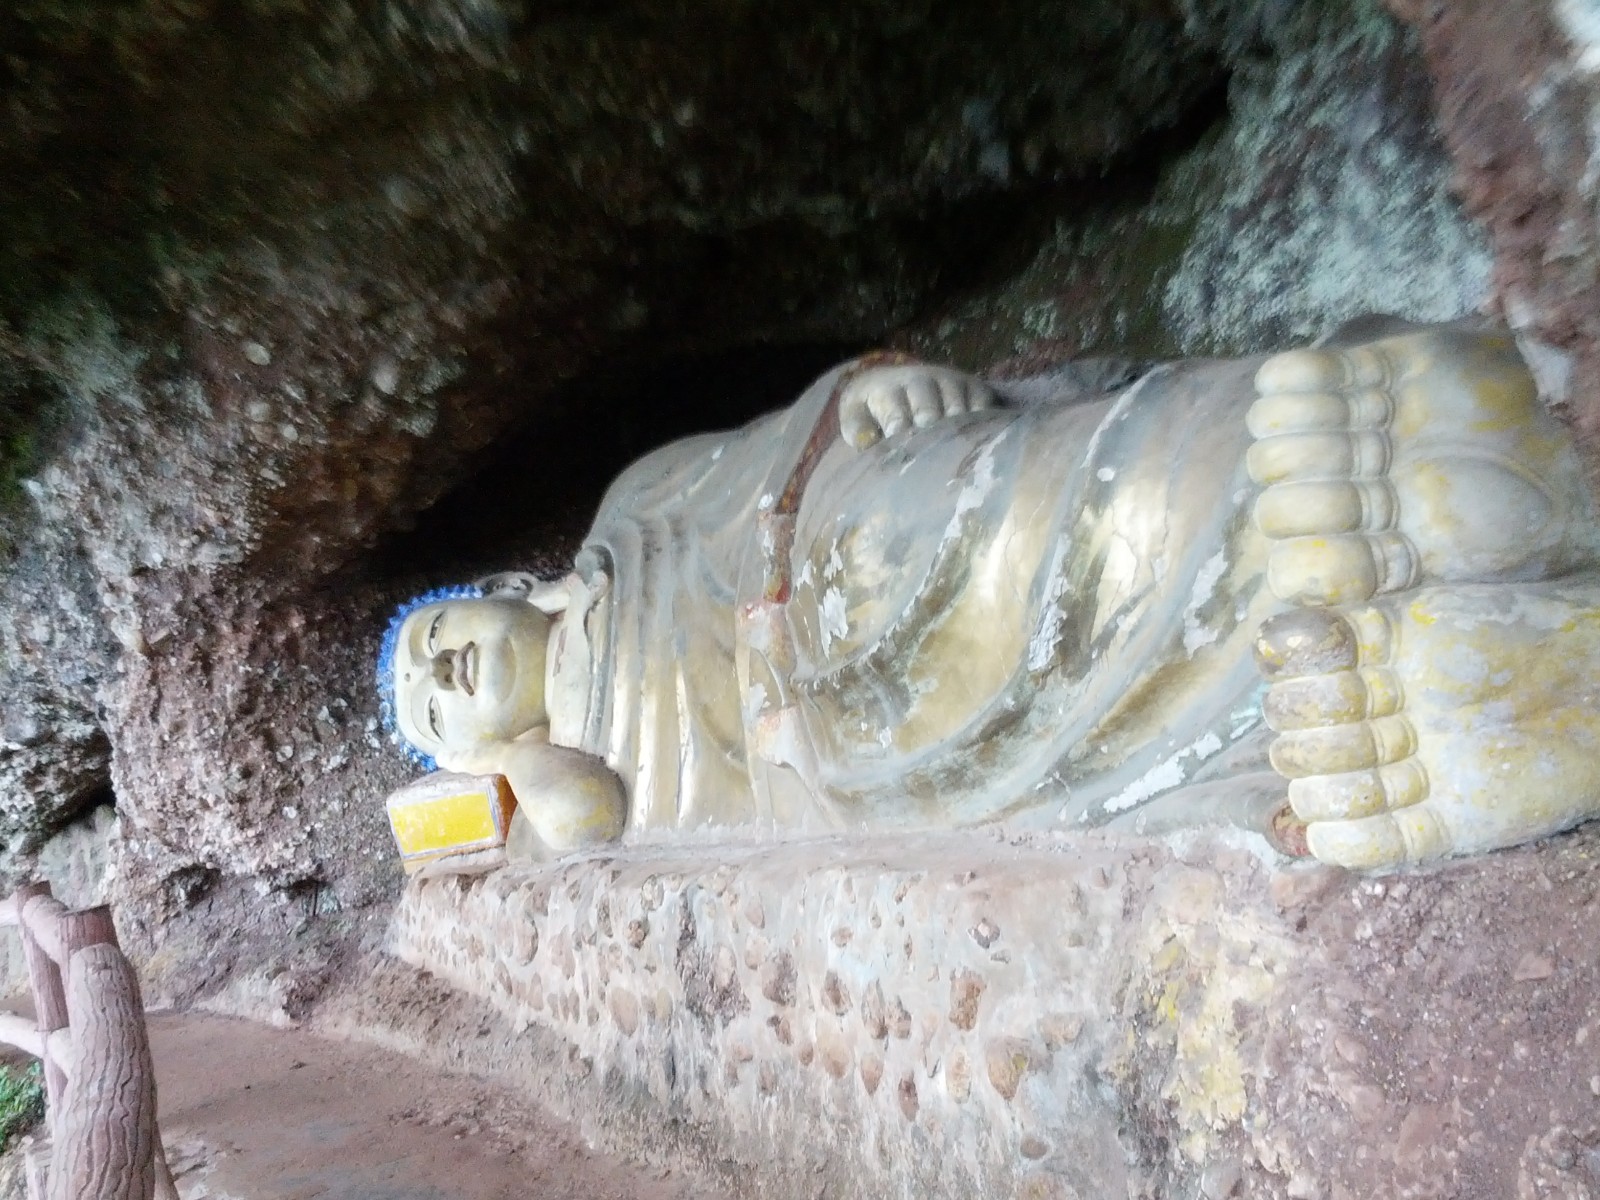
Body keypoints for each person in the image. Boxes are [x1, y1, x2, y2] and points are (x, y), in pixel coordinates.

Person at [380, 321, 1600, 870]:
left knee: (965, 502)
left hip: (844, 522)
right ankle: (1411, 682)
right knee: (936, 745)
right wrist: (516, 763)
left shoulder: (632, 506)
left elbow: (778, 443)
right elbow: (587, 828)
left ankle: (1385, 455)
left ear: (502, 589)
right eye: (437, 708)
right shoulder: (566, 771)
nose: (443, 669)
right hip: (829, 751)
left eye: (434, 637)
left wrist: (870, 390)